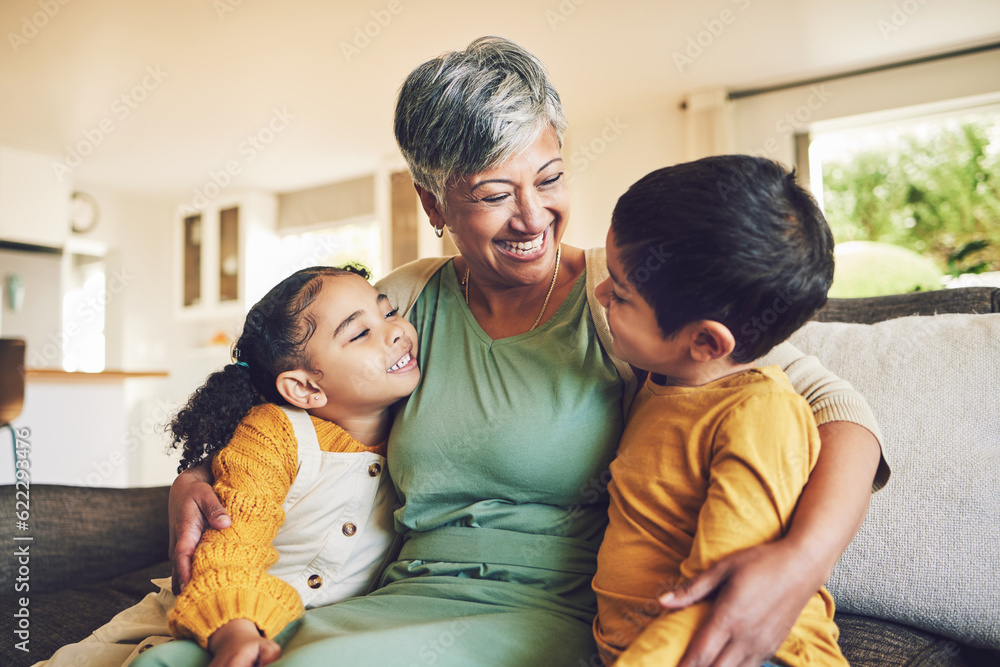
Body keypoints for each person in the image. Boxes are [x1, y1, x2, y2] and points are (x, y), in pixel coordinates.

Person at [147, 37, 889, 667]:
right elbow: (290, 393)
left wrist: (798, 564)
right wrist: (197, 476)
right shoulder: (402, 304)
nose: (532, 216)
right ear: (434, 205)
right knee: (172, 655)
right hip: (398, 597)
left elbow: (834, 408)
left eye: (551, 177)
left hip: (541, 618)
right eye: (495, 192)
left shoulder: (627, 298)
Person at [40, 265, 420, 667]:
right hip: (201, 623)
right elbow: (230, 549)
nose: (395, 331)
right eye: (359, 333)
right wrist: (236, 629)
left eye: (390, 311)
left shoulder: (416, 427)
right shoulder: (273, 435)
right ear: (305, 387)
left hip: (306, 637)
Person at [592, 156, 849, 666]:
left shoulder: (760, 415)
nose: (599, 294)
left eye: (620, 293)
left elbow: (719, 596)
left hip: (744, 651)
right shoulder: (661, 381)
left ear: (706, 341)